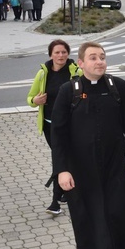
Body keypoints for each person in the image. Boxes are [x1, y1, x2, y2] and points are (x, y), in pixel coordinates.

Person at [50, 42, 125, 249]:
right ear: (80, 64)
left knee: (117, 212)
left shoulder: (118, 87)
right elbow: (58, 134)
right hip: (80, 168)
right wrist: (62, 170)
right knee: (84, 215)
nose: (100, 61)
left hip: (114, 165)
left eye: (102, 57)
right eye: (93, 58)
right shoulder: (67, 91)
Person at [27, 39, 82, 215]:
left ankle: (55, 202)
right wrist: (35, 101)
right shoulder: (43, 74)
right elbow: (30, 98)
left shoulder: (76, 72)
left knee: (60, 158)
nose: (61, 55)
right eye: (57, 52)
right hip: (50, 126)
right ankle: (66, 191)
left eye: (64, 52)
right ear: (51, 54)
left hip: (72, 125)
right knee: (63, 158)